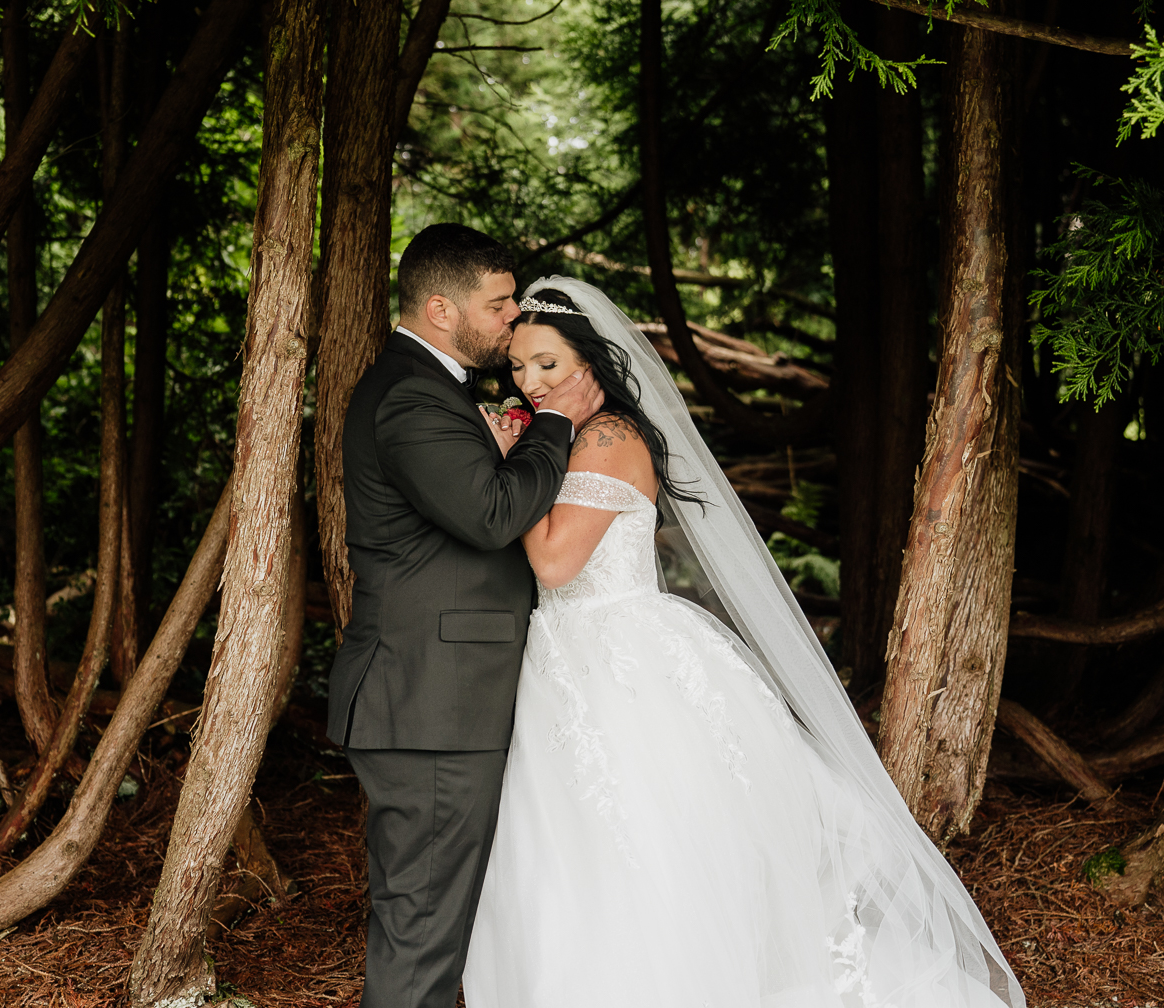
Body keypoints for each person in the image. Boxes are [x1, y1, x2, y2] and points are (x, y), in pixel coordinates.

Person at [461, 277, 1027, 1008]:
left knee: (635, 835)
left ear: (593, 366)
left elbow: (552, 561)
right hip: (574, 656)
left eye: (549, 365)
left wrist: (516, 458)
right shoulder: (579, 436)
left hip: (612, 659)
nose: (530, 383)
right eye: (520, 366)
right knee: (577, 844)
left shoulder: (602, 438)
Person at [325, 226, 607, 1008]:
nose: (514, 318)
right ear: (443, 309)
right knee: (421, 932)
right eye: (500, 303)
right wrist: (557, 424)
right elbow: (490, 517)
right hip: (430, 704)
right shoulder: (413, 393)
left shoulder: (433, 391)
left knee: (436, 925)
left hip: (436, 698)